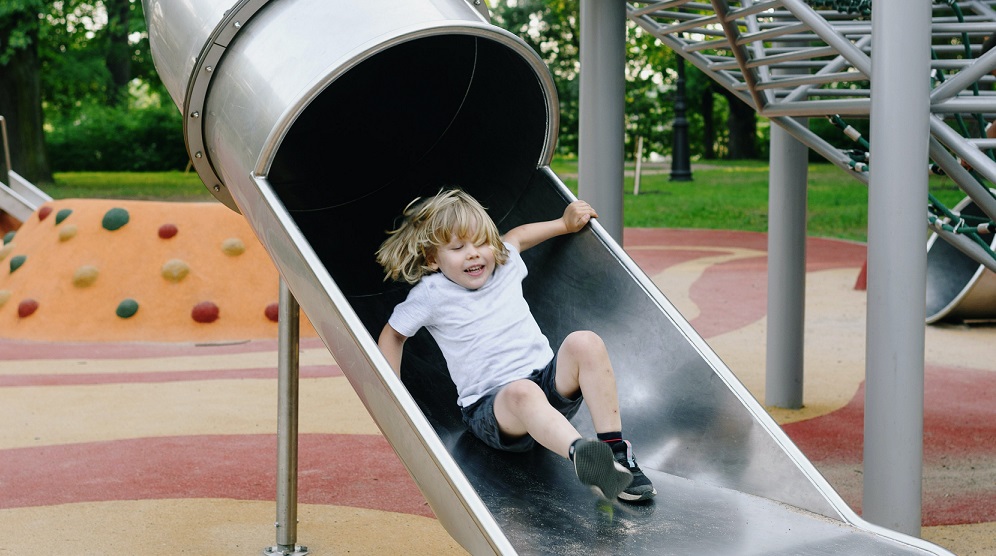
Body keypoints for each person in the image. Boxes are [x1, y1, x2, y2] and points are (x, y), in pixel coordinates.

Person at [376, 187, 656, 503]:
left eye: (482, 242)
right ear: (432, 260)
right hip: (493, 409)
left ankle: (615, 451)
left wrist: (564, 224)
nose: (473, 253)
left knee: (585, 342)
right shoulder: (431, 293)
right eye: (457, 247)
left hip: (548, 388)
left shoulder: (504, 261)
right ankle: (585, 457)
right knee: (522, 392)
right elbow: (393, 335)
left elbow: (518, 236)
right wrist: (392, 392)